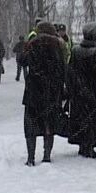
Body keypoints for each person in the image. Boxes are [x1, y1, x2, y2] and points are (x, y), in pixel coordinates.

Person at [21, 21, 66, 166]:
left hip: (34, 89)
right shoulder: (58, 45)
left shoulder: (32, 44)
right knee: (49, 123)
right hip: (51, 90)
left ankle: (30, 157)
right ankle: (46, 155)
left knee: (31, 123)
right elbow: (62, 68)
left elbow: (22, 61)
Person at [67, 22, 96, 158]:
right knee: (94, 119)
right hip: (94, 91)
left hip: (78, 91)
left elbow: (70, 71)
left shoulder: (75, 51)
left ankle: (82, 144)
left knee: (81, 118)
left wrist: (72, 88)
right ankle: (90, 145)